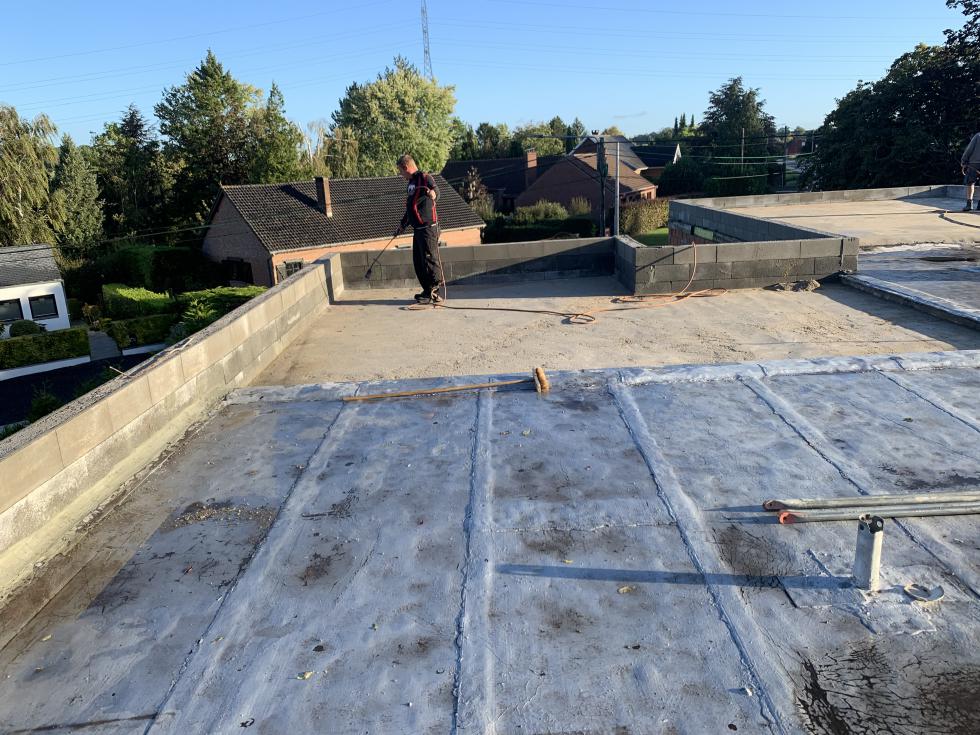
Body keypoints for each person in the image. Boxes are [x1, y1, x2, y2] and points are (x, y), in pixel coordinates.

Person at [394, 154, 444, 303]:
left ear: (406, 167)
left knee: (429, 260)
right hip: (418, 229)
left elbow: (436, 191)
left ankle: (434, 291)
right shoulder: (411, 183)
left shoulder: (425, 178)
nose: (401, 175)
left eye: (400, 171)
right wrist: (402, 225)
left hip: (428, 228)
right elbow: (410, 209)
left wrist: (433, 194)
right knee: (418, 261)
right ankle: (427, 290)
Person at [961, 128, 980, 212]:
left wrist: (964, 160)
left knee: (970, 183)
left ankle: (969, 205)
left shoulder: (978, 136)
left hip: (974, 164)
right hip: (974, 164)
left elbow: (969, 149)